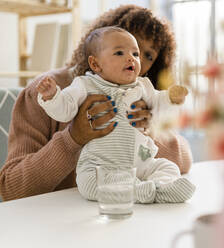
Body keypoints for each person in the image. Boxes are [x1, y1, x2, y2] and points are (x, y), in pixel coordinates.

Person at [0, 5, 193, 201]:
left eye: (147, 55)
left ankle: (147, 191)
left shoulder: (138, 94)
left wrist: (147, 131)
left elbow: (186, 159)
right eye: (120, 50)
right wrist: (73, 138)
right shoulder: (44, 92)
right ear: (96, 56)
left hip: (128, 215)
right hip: (61, 222)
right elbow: (11, 189)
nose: (134, 59)